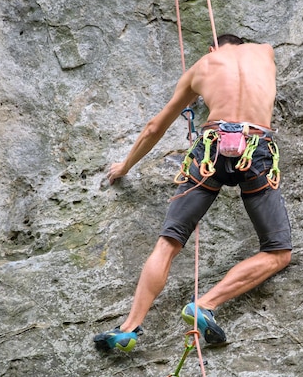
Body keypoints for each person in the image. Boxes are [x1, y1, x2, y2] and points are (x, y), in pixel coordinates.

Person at [93, 34, 292, 352]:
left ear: (213, 49)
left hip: (210, 150)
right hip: (255, 148)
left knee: (169, 242)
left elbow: (154, 127)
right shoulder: (265, 51)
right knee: (278, 252)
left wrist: (124, 167)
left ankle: (129, 328)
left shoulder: (201, 67)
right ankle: (205, 305)